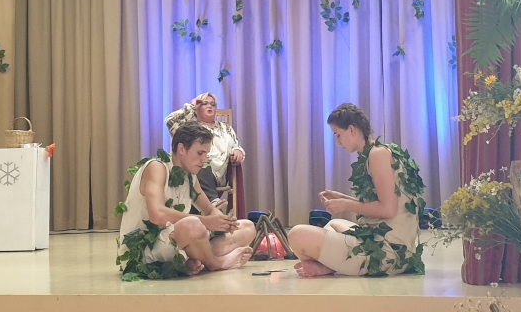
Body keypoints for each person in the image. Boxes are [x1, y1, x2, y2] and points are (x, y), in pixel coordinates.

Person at [288, 103, 425, 277]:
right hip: (392, 247)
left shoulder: (377, 155)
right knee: (334, 224)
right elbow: (384, 203)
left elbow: (388, 210)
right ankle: (330, 265)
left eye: (338, 135)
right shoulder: (382, 151)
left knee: (296, 234)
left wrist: (346, 205)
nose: (338, 142)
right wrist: (343, 198)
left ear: (352, 129)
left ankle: (328, 267)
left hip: (385, 254)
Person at [117, 121, 255, 279]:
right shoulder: (157, 167)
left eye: (206, 154)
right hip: (143, 252)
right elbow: (157, 215)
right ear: (181, 148)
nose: (204, 160)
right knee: (193, 225)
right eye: (200, 153)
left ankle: (192, 259)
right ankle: (215, 263)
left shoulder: (190, 176)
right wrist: (207, 222)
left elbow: (209, 209)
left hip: (177, 241)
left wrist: (223, 222)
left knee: (247, 227)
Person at [165, 93, 244, 214]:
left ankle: (208, 210)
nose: (210, 106)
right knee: (201, 163)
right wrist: (191, 106)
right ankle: (212, 202)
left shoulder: (226, 128)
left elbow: (236, 145)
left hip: (218, 173)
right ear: (196, 109)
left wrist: (238, 151)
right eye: (205, 103)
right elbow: (170, 121)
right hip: (196, 168)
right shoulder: (191, 127)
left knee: (202, 165)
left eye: (213, 104)